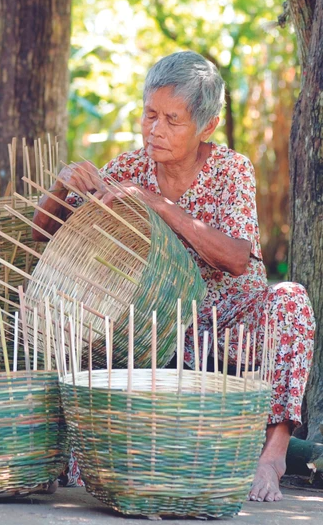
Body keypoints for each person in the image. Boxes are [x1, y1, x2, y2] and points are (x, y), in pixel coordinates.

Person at [33, 51, 315, 503]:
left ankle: (275, 451)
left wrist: (157, 204)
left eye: (172, 120)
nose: (155, 130)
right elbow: (41, 240)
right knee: (98, 333)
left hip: (228, 320)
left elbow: (238, 259)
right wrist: (60, 189)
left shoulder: (229, 170)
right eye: (149, 114)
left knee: (290, 299)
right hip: (161, 326)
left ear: (207, 126)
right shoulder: (127, 167)